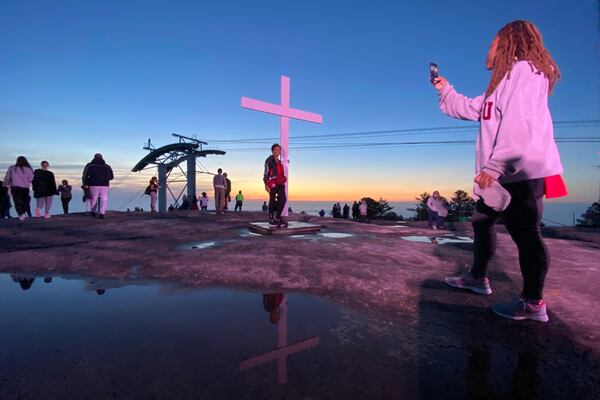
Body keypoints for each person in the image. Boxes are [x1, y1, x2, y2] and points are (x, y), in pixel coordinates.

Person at [435, 20, 565, 322]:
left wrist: (495, 165)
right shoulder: (502, 83)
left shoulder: (527, 72)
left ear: (508, 42)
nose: (487, 50)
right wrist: (445, 89)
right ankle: (478, 279)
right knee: (482, 221)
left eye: (491, 43)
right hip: (502, 177)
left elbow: (520, 124)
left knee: (527, 235)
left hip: (520, 173)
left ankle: (533, 304)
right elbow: (471, 108)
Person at [82, 153, 114, 219]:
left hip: (93, 184)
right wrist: (105, 179)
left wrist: (85, 183)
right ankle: (102, 213)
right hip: (105, 185)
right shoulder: (107, 166)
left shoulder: (90, 165)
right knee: (104, 198)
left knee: (94, 198)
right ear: (102, 158)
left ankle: (93, 211)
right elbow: (111, 177)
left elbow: (85, 175)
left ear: (94, 158)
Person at [263, 143, 287, 227]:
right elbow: (266, 173)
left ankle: (277, 217)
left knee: (283, 199)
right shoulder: (269, 160)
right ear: (273, 151)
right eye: (277, 149)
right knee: (272, 200)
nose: (278, 151)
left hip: (280, 183)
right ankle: (271, 218)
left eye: (279, 149)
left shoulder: (280, 162)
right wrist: (266, 184)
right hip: (272, 182)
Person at [3, 156, 34, 221]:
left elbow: (8, 177)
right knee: (24, 201)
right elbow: (31, 179)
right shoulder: (28, 169)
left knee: (17, 201)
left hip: (15, 187)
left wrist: (5, 184)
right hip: (25, 188)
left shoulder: (12, 168)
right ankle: (23, 212)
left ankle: (20, 214)